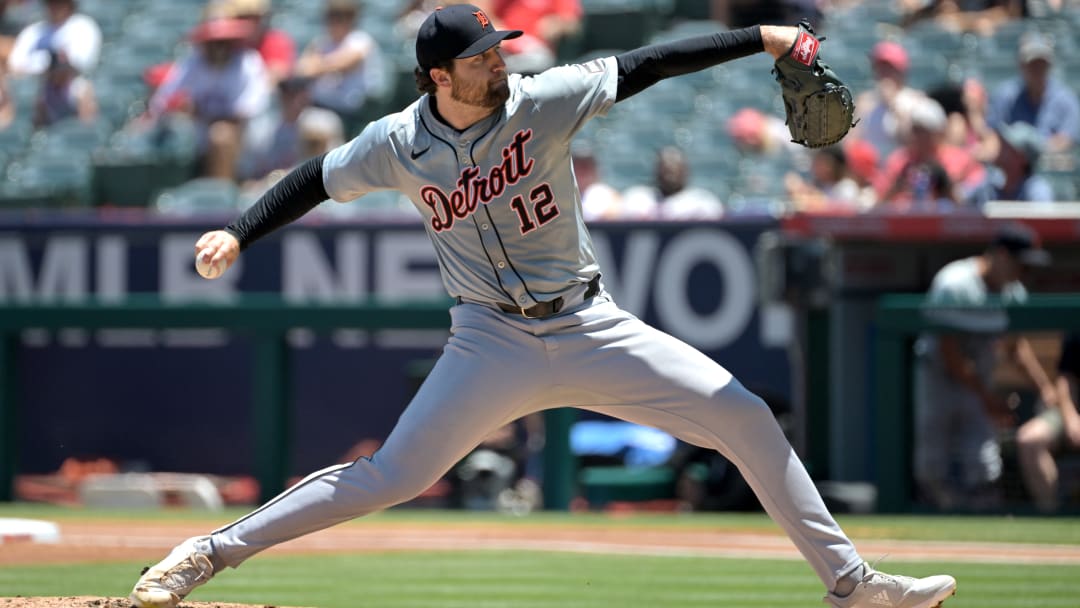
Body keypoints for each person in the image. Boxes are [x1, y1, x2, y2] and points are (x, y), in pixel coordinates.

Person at [128, 6, 957, 608]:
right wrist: (239, 232)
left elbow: (650, 63)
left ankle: (851, 585)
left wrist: (764, 39)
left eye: (498, 48)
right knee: (390, 476)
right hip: (487, 340)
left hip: (591, 323)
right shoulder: (396, 142)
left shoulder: (542, 97)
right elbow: (316, 177)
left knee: (742, 415)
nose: (500, 61)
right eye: (483, 56)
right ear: (439, 77)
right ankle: (206, 554)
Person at [913, 222, 1056, 512]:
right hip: (939, 376)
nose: (1022, 272)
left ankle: (981, 515)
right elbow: (949, 353)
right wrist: (989, 399)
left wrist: (1045, 387)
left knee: (982, 461)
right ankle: (937, 519)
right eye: (1020, 263)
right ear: (1001, 255)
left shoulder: (1013, 292)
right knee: (933, 461)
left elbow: (1016, 348)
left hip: (978, 380)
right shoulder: (954, 283)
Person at [147, 16, 271, 180]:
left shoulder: (248, 63)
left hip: (248, 138)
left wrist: (200, 113)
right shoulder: (194, 62)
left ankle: (220, 194)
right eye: (213, 42)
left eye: (223, 42)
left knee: (220, 135)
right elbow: (162, 99)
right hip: (203, 130)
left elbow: (245, 113)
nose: (219, 48)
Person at [874, 96, 987, 211]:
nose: (918, 135)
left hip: (946, 224)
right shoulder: (899, 160)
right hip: (902, 223)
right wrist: (896, 186)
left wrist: (947, 187)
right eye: (915, 129)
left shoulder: (962, 160)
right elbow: (877, 202)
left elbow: (973, 202)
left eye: (924, 130)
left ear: (939, 131)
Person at [294, 0, 385, 128]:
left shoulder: (360, 40)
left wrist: (319, 64)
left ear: (351, 18)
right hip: (318, 106)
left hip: (350, 114)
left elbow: (344, 63)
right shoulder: (322, 41)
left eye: (339, 16)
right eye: (330, 16)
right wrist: (326, 64)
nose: (333, 21)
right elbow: (302, 69)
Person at [987, 31, 1080, 154]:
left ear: (1049, 66)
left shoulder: (1065, 99)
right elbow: (992, 135)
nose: (1037, 70)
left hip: (1051, 165)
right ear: (1021, 65)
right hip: (1014, 166)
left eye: (1042, 64)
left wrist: (1033, 150)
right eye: (1032, 64)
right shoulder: (1006, 95)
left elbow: (1067, 140)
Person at [1017, 332, 1080, 513]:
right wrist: (1071, 418)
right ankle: (1051, 514)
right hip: (1071, 411)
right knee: (1029, 439)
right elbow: (1065, 379)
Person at [850, 40, 927, 160]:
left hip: (900, 167)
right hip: (870, 168)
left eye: (889, 68)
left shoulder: (915, 99)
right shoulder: (865, 101)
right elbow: (852, 142)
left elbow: (911, 140)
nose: (883, 73)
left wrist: (891, 103)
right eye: (880, 67)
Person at [622, 145, 725, 220]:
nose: (670, 175)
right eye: (665, 169)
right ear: (656, 170)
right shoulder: (638, 198)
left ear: (686, 171)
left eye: (675, 168)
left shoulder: (703, 201)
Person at [6, 0, 100, 76]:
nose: (54, 6)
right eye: (50, 2)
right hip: (37, 87)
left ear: (70, 4)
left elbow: (80, 63)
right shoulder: (33, 31)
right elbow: (15, 64)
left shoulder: (83, 26)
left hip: (70, 89)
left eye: (59, 2)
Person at [220, 0, 296, 87]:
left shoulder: (276, 42)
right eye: (241, 18)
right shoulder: (222, 44)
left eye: (253, 18)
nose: (247, 23)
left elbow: (277, 79)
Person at [985, 120, 1055, 203]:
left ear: (1022, 158)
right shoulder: (992, 183)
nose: (1002, 148)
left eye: (1009, 146)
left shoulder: (1037, 191)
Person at [32, 48, 95, 127]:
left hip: (75, 129)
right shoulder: (46, 89)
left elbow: (87, 118)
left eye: (64, 71)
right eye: (58, 72)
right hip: (54, 130)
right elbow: (39, 119)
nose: (61, 75)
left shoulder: (78, 86)